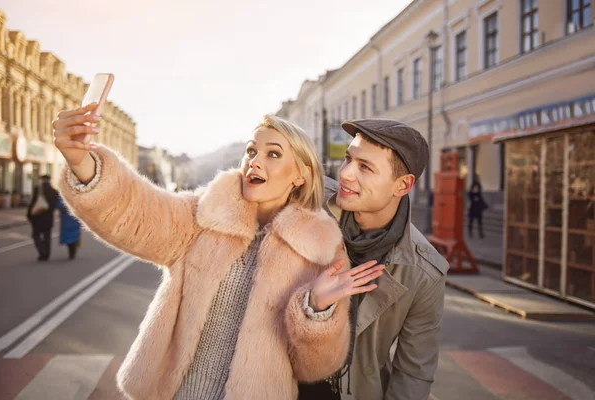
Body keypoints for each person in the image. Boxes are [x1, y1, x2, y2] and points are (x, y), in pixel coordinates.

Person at [52, 103, 384, 400]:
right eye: (251, 151)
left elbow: (314, 367)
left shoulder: (322, 248)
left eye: (273, 154)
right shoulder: (202, 215)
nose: (254, 161)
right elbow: (135, 211)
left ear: (301, 175)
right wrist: (82, 162)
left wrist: (317, 308)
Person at [300, 119, 449, 400]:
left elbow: (413, 373)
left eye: (365, 167)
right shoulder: (310, 203)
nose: (345, 174)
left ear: (402, 185)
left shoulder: (425, 272)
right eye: (348, 159)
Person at [27, 175, 59, 261]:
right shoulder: (54, 191)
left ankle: (42, 251)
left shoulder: (38, 189)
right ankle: (47, 254)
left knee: (35, 235)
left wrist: (29, 215)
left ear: (41, 180)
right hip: (48, 218)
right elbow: (56, 205)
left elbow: (32, 203)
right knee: (47, 236)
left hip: (37, 217)